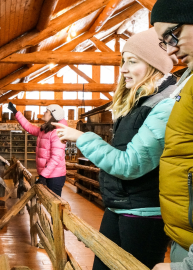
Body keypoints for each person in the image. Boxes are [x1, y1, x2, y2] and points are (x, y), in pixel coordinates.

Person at [52, 28, 177, 270]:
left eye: (132, 61)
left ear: (154, 64)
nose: (124, 69)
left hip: (144, 211)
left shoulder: (163, 106)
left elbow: (129, 164)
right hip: (120, 204)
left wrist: (82, 138)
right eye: (123, 62)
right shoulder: (139, 102)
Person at [151, 0, 193, 265]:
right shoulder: (188, 82)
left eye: (172, 34)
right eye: (164, 41)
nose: (171, 49)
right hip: (183, 236)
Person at [7, 103, 67, 196]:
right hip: (47, 174)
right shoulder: (44, 131)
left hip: (55, 177)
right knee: (47, 205)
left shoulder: (57, 134)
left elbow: (55, 158)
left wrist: (43, 176)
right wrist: (15, 112)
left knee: (53, 205)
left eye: (47, 111)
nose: (44, 112)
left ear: (52, 116)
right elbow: (29, 127)